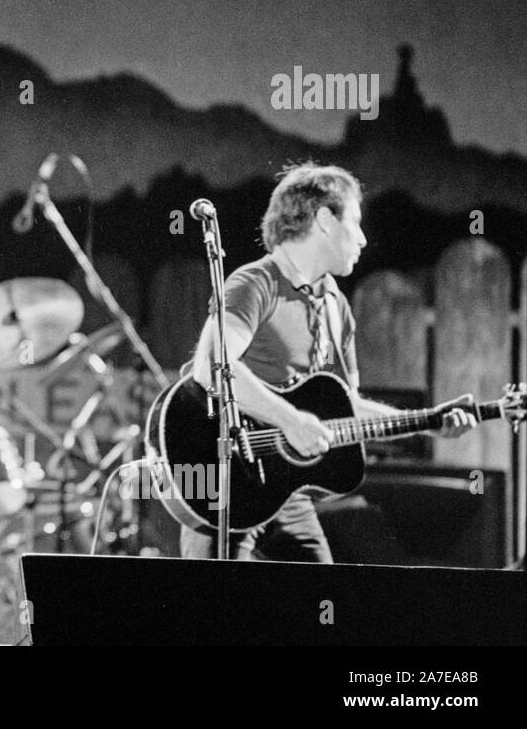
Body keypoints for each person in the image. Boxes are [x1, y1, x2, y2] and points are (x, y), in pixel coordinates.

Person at [182, 162, 475, 561]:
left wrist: (428, 422)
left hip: (286, 489)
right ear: (323, 219)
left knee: (320, 595)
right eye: (355, 222)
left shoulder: (336, 307)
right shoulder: (255, 283)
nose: (363, 239)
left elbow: (346, 407)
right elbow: (213, 367)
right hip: (226, 481)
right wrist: (290, 419)